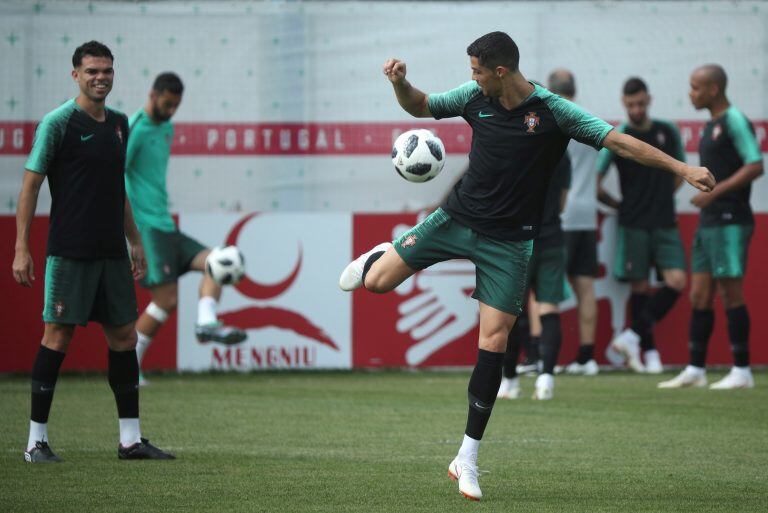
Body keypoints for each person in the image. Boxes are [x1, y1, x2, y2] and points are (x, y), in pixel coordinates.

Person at [339, 32, 713, 501]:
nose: (471, 78)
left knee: (493, 343)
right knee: (374, 283)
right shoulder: (474, 96)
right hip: (454, 219)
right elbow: (420, 106)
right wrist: (400, 82)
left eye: (477, 70)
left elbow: (619, 143)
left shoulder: (555, 111)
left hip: (510, 244)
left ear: (500, 71)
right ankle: (380, 254)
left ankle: (467, 458)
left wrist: (682, 169)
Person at [12, 41, 174, 462]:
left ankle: (130, 440)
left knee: (124, 337)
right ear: (76, 75)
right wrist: (21, 248)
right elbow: (30, 186)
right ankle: (35, 442)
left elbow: (116, 188)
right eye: (91, 72)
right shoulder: (58, 123)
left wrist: (134, 239)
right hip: (70, 252)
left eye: (106, 71)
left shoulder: (120, 123)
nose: (100, 78)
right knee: (58, 336)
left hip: (112, 253)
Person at [125, 72, 247, 385]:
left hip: (165, 224)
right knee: (166, 300)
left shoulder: (166, 126)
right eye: (167, 104)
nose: (171, 111)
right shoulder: (135, 129)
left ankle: (206, 323)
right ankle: (127, 371)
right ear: (153, 94)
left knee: (219, 262)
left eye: (176, 106)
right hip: (148, 228)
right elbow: (115, 175)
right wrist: (130, 231)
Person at [659, 65, 763, 389]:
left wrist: (714, 193)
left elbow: (755, 164)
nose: (690, 93)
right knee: (699, 295)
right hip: (709, 221)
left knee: (731, 295)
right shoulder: (711, 126)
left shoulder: (734, 121)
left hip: (731, 221)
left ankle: (742, 371)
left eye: (695, 87)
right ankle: (695, 369)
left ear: (713, 89)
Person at [599, 77, 688, 374]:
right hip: (633, 223)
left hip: (664, 221)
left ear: (648, 100)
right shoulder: (618, 137)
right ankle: (649, 352)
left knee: (676, 281)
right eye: (631, 104)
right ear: (624, 104)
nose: (636, 109)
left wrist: (661, 198)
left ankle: (631, 335)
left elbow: (681, 171)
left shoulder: (667, 131)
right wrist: (619, 206)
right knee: (640, 288)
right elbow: (596, 184)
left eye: (641, 103)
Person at [498, 150, 571, 400]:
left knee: (511, 312)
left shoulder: (520, 147)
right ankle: (546, 379)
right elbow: (562, 202)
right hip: (552, 238)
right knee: (549, 310)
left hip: (519, 241)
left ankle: (510, 381)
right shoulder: (563, 154)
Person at [548, 69, 601, 376]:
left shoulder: (551, 120)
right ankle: (587, 357)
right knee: (586, 289)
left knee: (545, 289)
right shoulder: (589, 120)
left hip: (559, 215)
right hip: (587, 216)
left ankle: (542, 358)